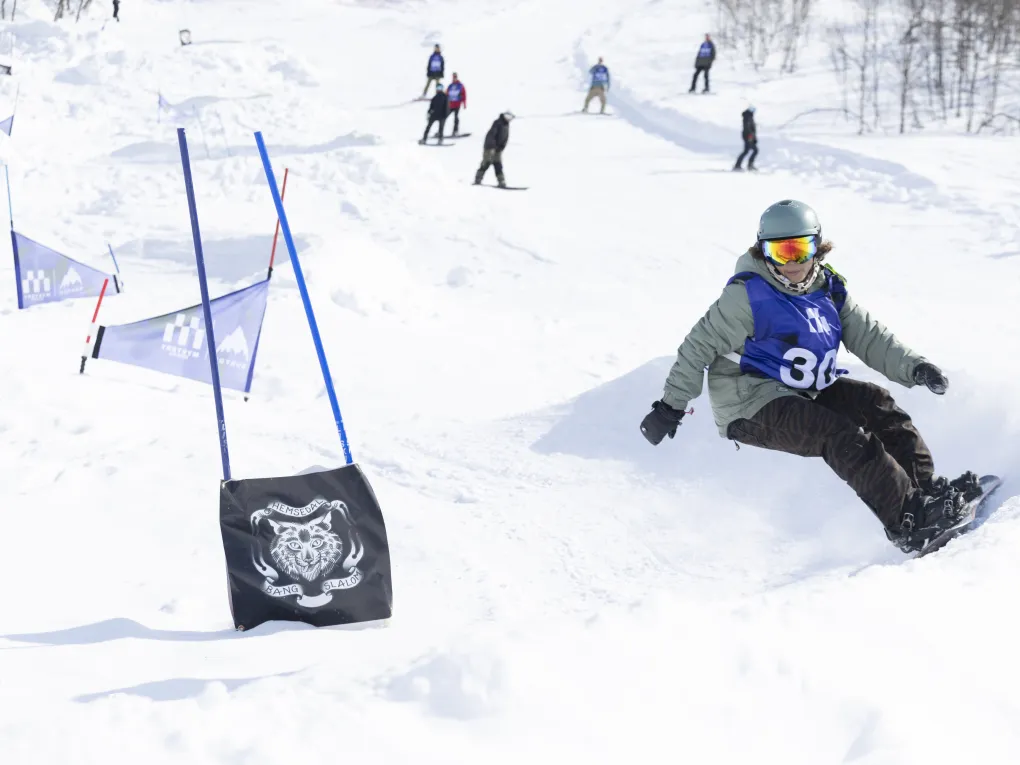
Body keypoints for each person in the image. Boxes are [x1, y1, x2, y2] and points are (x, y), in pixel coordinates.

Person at [639, 199, 982, 555]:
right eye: (780, 251)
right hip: (750, 402)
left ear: (817, 247)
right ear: (763, 250)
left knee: (874, 402)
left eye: (800, 249)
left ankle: (925, 492)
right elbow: (697, 347)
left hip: (803, 391)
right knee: (841, 435)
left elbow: (867, 335)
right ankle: (909, 521)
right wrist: (670, 407)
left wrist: (914, 366)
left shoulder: (826, 287)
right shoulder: (745, 297)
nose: (792, 263)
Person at [473, 112, 514, 188]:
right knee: (486, 163)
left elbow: (505, 137)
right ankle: (478, 178)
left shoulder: (506, 125)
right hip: (490, 147)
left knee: (498, 165)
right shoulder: (498, 123)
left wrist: (502, 147)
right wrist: (492, 147)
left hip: (498, 149)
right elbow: (491, 135)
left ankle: (501, 181)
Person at [733, 106, 758, 171]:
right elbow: (748, 129)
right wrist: (750, 138)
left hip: (749, 137)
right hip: (748, 137)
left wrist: (754, 138)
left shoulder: (749, 117)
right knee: (754, 150)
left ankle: (740, 165)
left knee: (747, 151)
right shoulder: (747, 117)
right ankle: (748, 165)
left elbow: (752, 129)